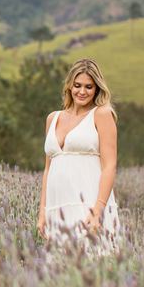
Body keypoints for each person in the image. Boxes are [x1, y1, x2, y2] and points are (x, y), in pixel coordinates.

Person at [37, 58, 121, 254]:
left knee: (95, 265)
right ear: (69, 86)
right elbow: (48, 169)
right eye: (77, 85)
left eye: (89, 87)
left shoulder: (102, 114)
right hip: (58, 206)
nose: (82, 91)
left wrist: (98, 211)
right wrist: (42, 211)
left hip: (89, 204)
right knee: (60, 272)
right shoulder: (52, 118)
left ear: (97, 89)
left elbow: (110, 166)